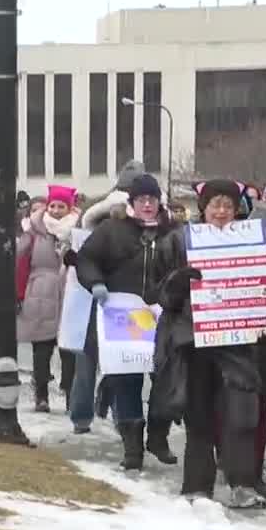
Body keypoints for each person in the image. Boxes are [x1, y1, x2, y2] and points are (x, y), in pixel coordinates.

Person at [155, 180, 266, 508]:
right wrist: (178, 283)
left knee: (240, 417)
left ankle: (242, 484)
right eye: (216, 205)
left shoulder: (252, 244)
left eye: (229, 205)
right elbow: (161, 295)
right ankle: (197, 487)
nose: (222, 211)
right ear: (203, 208)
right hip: (193, 341)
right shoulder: (178, 241)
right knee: (198, 416)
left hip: (239, 344)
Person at [76, 172, 177, 470]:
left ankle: (158, 435)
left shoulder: (173, 232)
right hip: (121, 318)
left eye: (152, 199)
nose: (147, 204)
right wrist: (95, 283)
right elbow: (87, 259)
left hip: (163, 318)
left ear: (160, 202)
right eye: (142, 199)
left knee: (167, 380)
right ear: (132, 202)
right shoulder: (112, 230)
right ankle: (132, 448)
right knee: (126, 383)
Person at [17, 185, 80, 413]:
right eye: (52, 205)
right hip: (40, 293)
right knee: (41, 349)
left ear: (69, 208)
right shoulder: (33, 230)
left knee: (70, 350)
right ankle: (41, 395)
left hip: (69, 292)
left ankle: (71, 395)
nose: (55, 210)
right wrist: (20, 293)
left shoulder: (76, 231)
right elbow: (20, 259)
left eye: (61, 206)